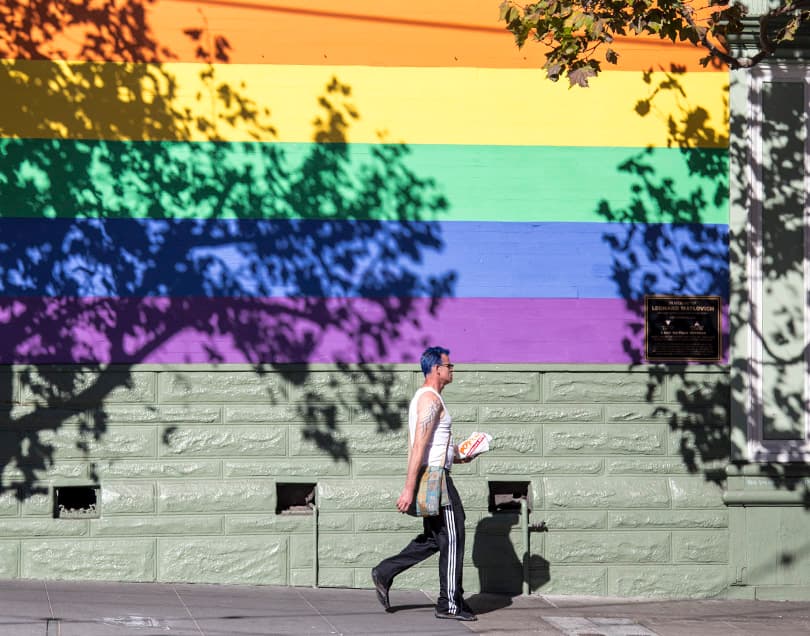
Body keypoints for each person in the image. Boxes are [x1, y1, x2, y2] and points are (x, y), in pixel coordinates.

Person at [370, 346, 477, 622]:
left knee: (435, 538)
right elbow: (418, 445)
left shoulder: (431, 398)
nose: (452, 370)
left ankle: (385, 572)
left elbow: (432, 445)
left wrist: (459, 454)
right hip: (436, 478)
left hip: (435, 472)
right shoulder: (430, 399)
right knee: (453, 536)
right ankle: (449, 603)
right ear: (436, 369)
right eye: (449, 366)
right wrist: (408, 487)